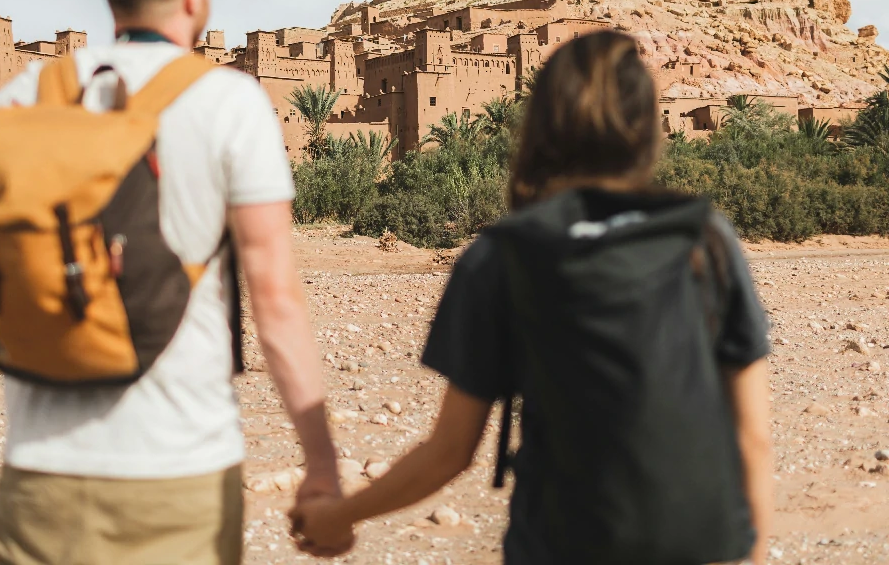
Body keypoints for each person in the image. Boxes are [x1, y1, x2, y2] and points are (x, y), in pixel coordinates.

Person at [0, 0, 345, 565]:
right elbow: (275, 302)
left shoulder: (16, 100)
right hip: (179, 476)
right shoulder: (229, 101)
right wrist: (322, 465)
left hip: (41, 480)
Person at [291, 31, 773, 564]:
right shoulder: (705, 238)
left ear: (541, 126)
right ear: (646, 130)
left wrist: (338, 516)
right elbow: (752, 437)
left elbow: (449, 453)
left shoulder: (503, 254)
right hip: (701, 544)